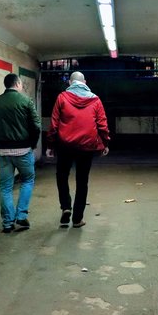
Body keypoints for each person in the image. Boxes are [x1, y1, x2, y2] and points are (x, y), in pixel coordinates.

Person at [46, 71, 110, 228]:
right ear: (85, 82)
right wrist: (105, 142)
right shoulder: (95, 99)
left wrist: (51, 144)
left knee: (62, 176)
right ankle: (77, 219)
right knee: (82, 181)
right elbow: (102, 124)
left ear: (70, 82)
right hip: (87, 146)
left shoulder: (62, 97)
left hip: (65, 145)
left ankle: (66, 207)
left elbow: (54, 123)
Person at [0, 73, 41, 233]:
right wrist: (32, 144)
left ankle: (7, 223)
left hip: (3, 151)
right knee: (27, 180)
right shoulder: (26, 101)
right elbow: (36, 126)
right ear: (17, 84)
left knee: (5, 187)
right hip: (23, 150)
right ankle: (21, 215)